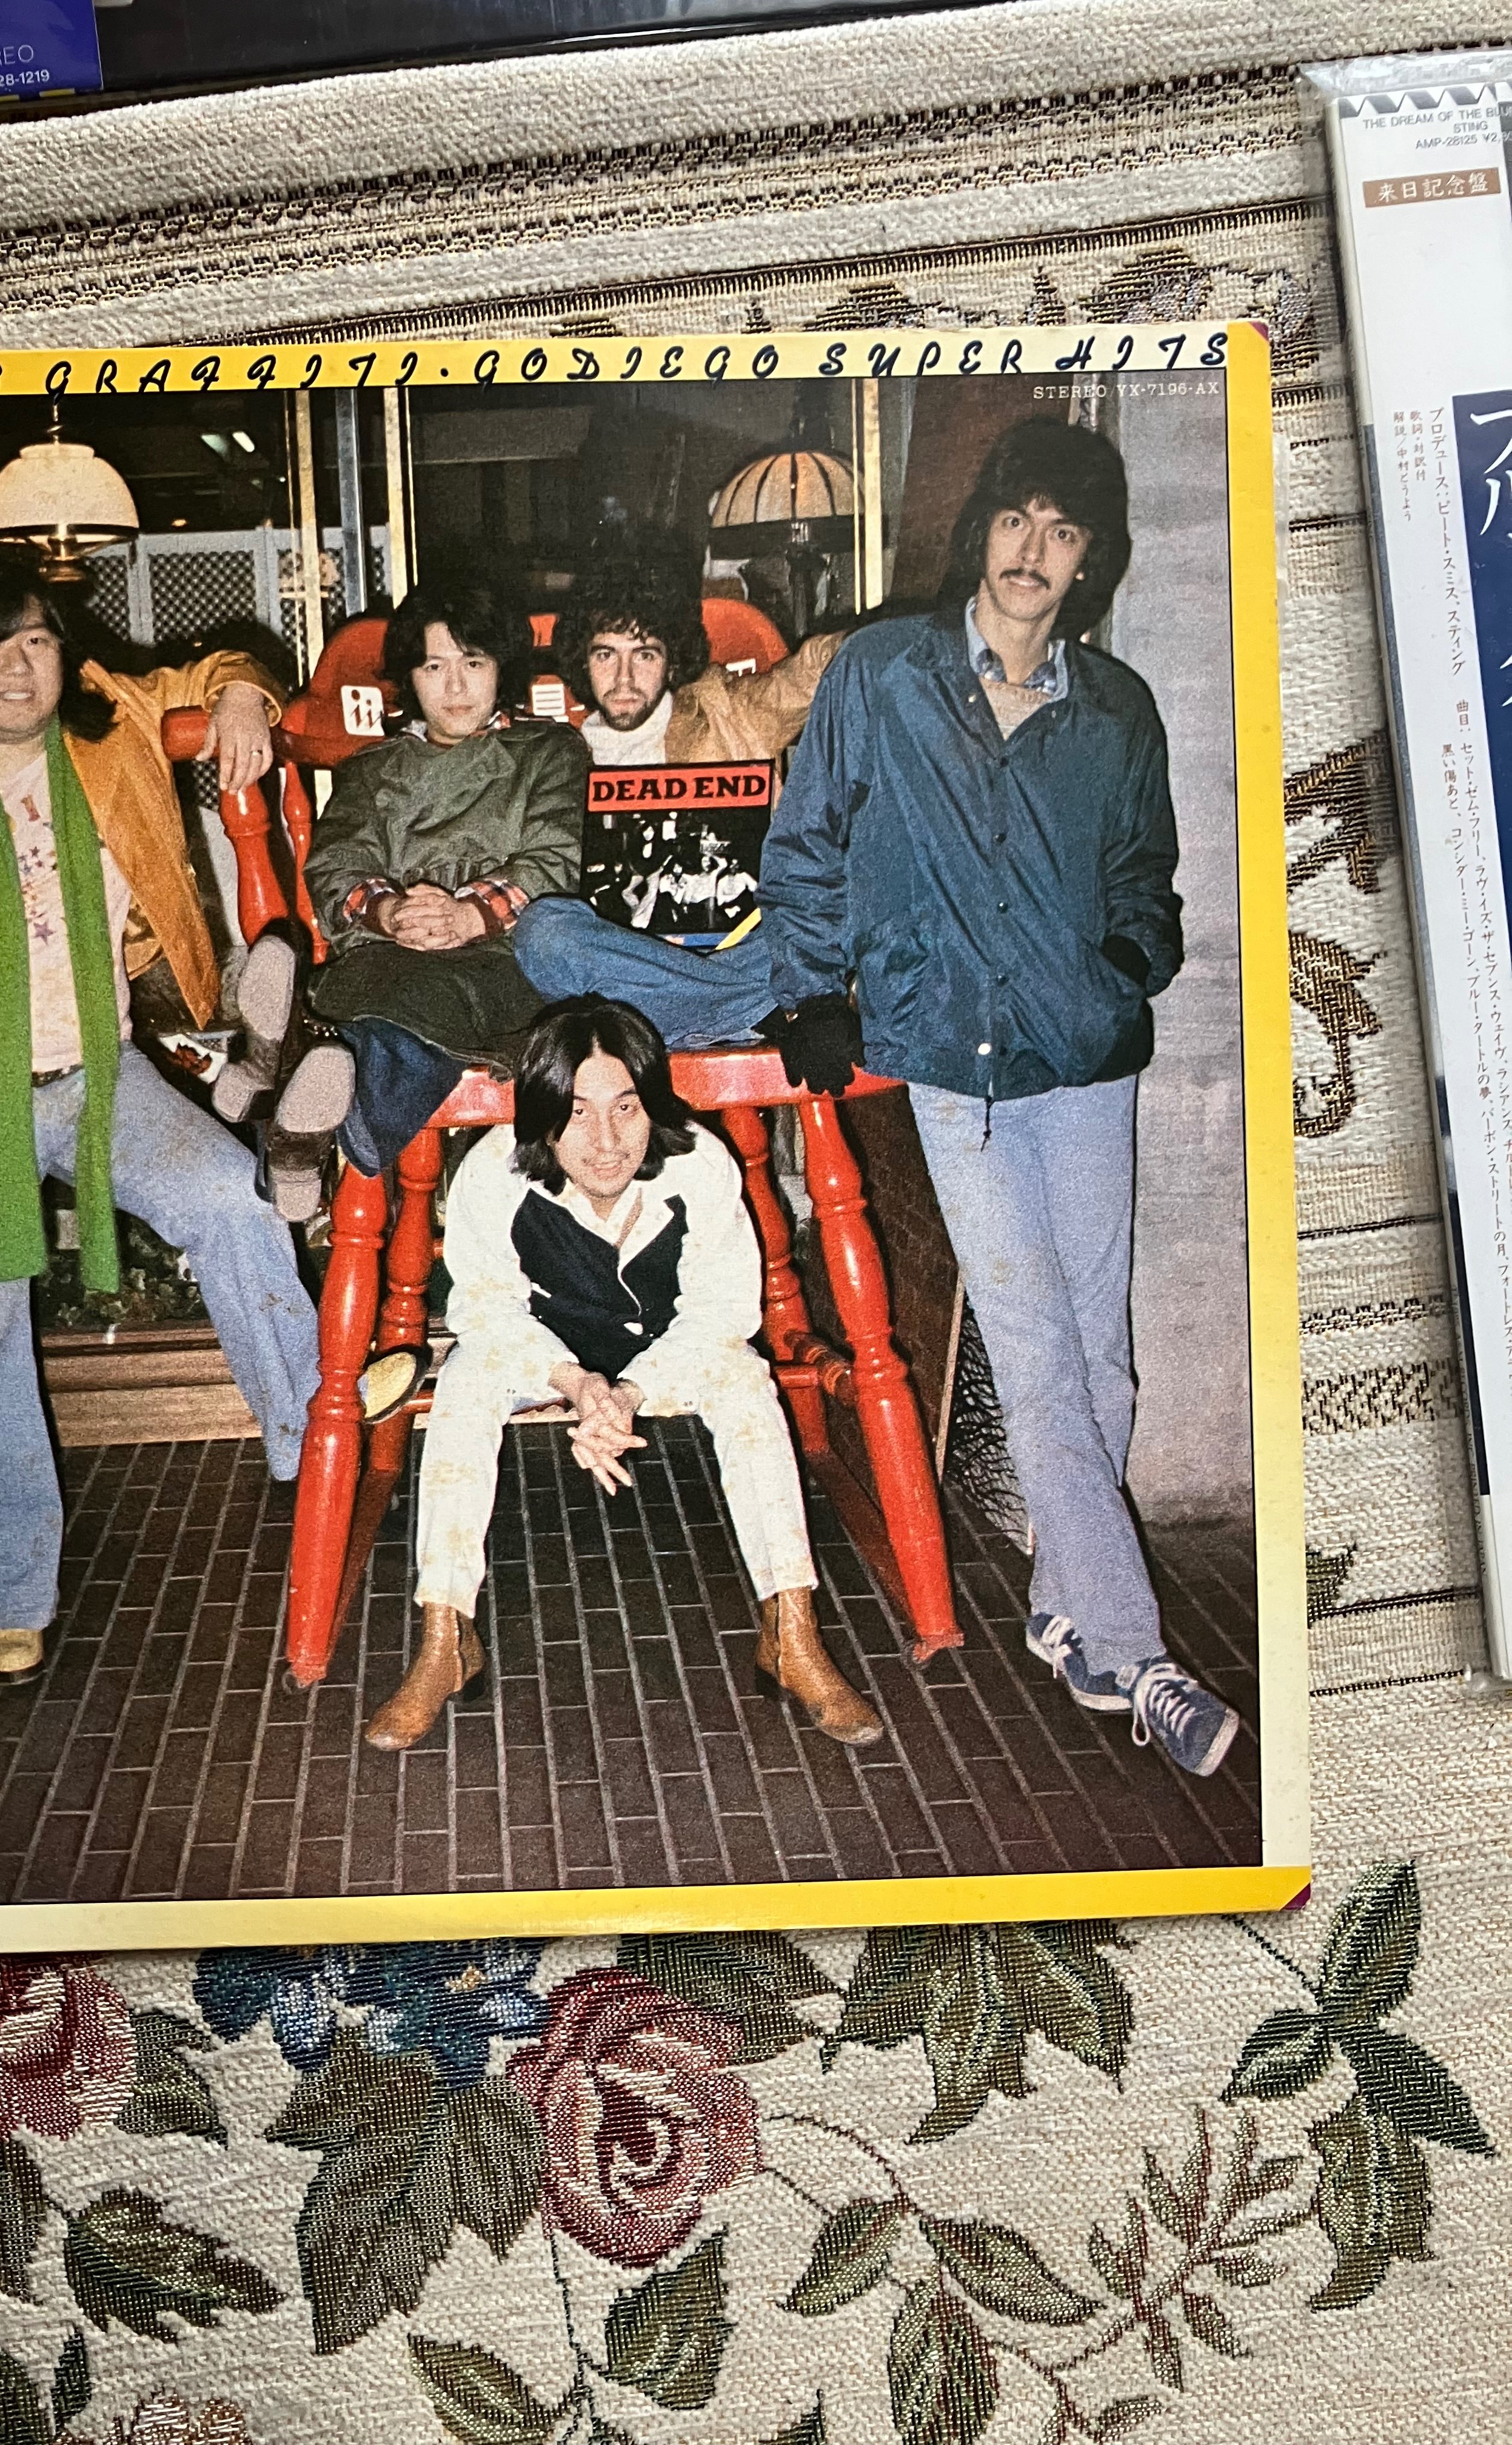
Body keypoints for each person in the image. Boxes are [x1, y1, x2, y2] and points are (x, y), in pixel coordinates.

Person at [511, 420, 1239, 1779]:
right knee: (1034, 1350)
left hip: (1083, 1053)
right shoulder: (887, 675)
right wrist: (814, 989)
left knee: (1103, 1358)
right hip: (949, 1057)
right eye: (1014, 522)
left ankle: (1065, 1614)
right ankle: (1138, 1657)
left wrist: (1128, 955)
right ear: (981, 536)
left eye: (1061, 532)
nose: (1031, 553)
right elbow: (807, 847)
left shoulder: (1117, 706)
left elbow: (1145, 870)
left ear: (1090, 560)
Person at [0, 543, 321, 1682]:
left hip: (101, 1071)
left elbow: (224, 665)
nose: (18, 665)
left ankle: (315, 1429)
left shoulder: (110, 724)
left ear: (63, 654)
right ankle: (6, 1593)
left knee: (232, 1199)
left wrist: (244, 696)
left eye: (38, 639)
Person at [364, 994, 881, 1753]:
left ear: (652, 1104)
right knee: (467, 1382)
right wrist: (578, 1385)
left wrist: (631, 1392)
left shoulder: (698, 1163)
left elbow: (723, 1311)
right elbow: (484, 1310)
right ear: (543, 1112)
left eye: (626, 1108)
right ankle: (446, 1638)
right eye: (576, 1113)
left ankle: (792, 1633)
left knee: (746, 1384)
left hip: (667, 1353)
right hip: (545, 1352)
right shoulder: (494, 1173)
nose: (605, 1142)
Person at [259, 571, 589, 1215]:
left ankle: (304, 1112)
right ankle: (316, 1104)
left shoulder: (549, 751)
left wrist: (470, 915)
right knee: (381, 985)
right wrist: (388, 911)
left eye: (474, 663)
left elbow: (556, 857)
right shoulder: (372, 769)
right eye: (434, 666)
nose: (455, 687)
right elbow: (338, 863)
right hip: (390, 952)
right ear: (410, 678)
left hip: (506, 956)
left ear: (502, 668)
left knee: (422, 1004)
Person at [515, 534, 843, 991]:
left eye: (645, 655)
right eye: (606, 655)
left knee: (805, 928)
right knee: (545, 928)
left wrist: (884, 640)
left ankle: (697, 1001)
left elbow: (814, 670)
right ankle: (719, 1005)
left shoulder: (728, 711)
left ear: (671, 663)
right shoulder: (556, 758)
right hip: (631, 965)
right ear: (583, 663)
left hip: (740, 947)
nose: (624, 678)